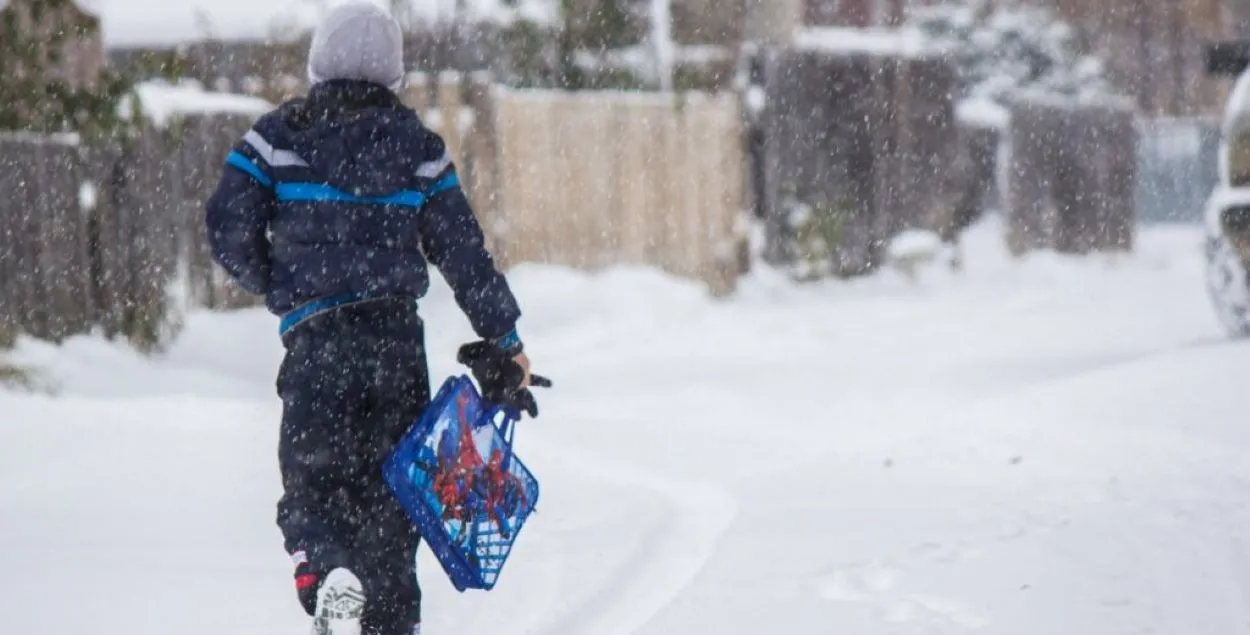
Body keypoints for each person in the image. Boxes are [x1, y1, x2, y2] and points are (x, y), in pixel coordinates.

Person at [204, 2, 547, 634]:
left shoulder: (278, 138)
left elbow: (227, 224)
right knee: (393, 501)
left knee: (313, 481)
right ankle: (389, 616)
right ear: (395, 74)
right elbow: (464, 252)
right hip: (394, 347)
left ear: (318, 63)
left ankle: (327, 571)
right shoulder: (418, 150)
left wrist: (277, 281)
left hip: (318, 344)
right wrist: (505, 338)